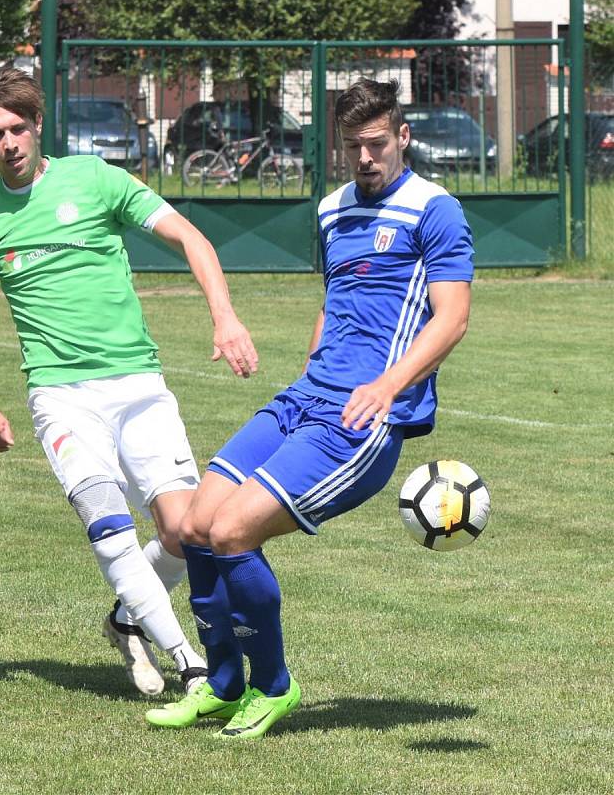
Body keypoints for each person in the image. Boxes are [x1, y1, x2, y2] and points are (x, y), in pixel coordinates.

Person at [145, 78, 474, 738]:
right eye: (352, 145)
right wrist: (311, 367)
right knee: (192, 527)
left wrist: (386, 386)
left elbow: (453, 318)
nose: (364, 157)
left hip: (363, 420)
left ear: (402, 136)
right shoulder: (331, 210)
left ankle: (274, 686)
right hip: (306, 396)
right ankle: (221, 683)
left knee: (233, 532)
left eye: (376, 143)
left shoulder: (435, 210)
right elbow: (335, 299)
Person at [0, 67, 258, 698]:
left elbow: (189, 237)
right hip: (60, 396)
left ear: (37, 126)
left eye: (16, 128)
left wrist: (224, 316)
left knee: (185, 531)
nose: (7, 143)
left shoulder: (95, 179)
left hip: (139, 385)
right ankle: (189, 661)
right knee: (107, 520)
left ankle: (127, 618)